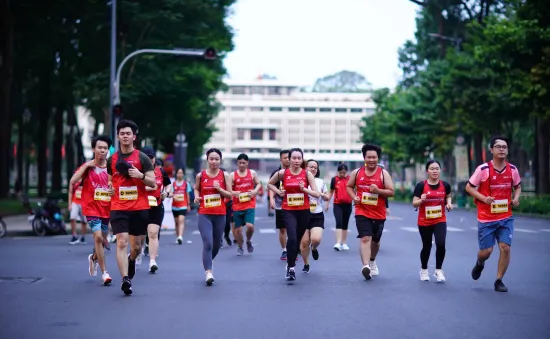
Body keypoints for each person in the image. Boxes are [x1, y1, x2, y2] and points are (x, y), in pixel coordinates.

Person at [465, 136, 521, 292]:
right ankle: (480, 263)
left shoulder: (513, 170)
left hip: (505, 217)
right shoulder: (483, 170)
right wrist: (484, 198)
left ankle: (499, 280)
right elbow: (469, 187)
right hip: (486, 218)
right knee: (486, 252)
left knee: (505, 248)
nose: (502, 149)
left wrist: (516, 198)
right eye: (498, 146)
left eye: (504, 147)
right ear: (491, 150)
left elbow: (517, 187)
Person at [107, 119, 156, 295]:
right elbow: (110, 180)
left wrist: (140, 175)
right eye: (122, 134)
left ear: (134, 136)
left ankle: (132, 259)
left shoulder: (142, 157)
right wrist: (110, 188)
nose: (125, 136)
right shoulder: (112, 159)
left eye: (128, 133)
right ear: (118, 136)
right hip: (118, 207)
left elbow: (154, 183)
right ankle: (125, 279)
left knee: (136, 247)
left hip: (139, 207)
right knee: (121, 241)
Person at [268, 148, 320, 281]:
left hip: (304, 211)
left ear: (302, 159)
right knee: (292, 238)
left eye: (299, 158)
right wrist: (278, 192)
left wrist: (304, 189)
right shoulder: (282, 173)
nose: (296, 160)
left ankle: (290, 262)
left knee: (296, 240)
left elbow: (316, 193)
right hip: (288, 210)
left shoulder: (307, 174)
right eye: (294, 158)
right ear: (289, 159)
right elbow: (269, 184)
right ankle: (291, 268)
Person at [346, 143, 395, 280]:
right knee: (365, 238)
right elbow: (349, 186)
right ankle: (366, 266)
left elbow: (391, 192)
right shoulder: (357, 173)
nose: (371, 160)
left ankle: (372, 260)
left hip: (378, 212)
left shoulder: (383, 174)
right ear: (364, 158)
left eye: (374, 157)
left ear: (378, 158)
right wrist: (354, 197)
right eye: (369, 157)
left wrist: (378, 191)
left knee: (375, 240)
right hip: (361, 210)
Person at [70, 135, 113, 285]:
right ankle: (105, 273)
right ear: (94, 149)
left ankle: (93, 258)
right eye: (99, 147)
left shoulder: (111, 167)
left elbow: (116, 186)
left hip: (107, 209)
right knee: (98, 238)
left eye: (105, 148)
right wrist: (86, 167)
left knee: (102, 240)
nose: (102, 150)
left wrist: (113, 191)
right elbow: (73, 181)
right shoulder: (87, 167)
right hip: (91, 208)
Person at [193, 148, 233, 286]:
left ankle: (209, 260)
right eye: (211, 159)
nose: (214, 162)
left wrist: (220, 189)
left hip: (220, 214)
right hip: (204, 213)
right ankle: (208, 272)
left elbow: (230, 194)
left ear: (220, 160)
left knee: (216, 245)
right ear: (207, 159)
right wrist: (197, 196)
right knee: (208, 243)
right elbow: (196, 188)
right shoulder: (201, 175)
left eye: (217, 159)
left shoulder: (224, 175)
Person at [412, 160, 452, 283]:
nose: (435, 171)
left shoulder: (445, 185)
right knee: (427, 246)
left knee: (441, 244)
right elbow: (414, 203)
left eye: (437, 168)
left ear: (440, 170)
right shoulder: (421, 185)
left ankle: (438, 270)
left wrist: (449, 204)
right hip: (424, 221)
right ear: (427, 171)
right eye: (432, 169)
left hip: (440, 219)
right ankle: (424, 269)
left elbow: (448, 196)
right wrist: (421, 200)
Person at [140, 147, 171, 273]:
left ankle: (152, 261)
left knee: (153, 233)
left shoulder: (160, 171)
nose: (149, 160)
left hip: (156, 205)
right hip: (140, 206)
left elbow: (168, 184)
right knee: (140, 235)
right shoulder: (137, 171)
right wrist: (148, 188)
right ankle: (137, 252)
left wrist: (166, 193)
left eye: (151, 157)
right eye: (146, 157)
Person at [300, 159, 330, 273]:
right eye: (310, 166)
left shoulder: (320, 182)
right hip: (302, 214)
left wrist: (322, 194)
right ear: (305, 168)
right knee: (304, 242)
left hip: (316, 213)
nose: (313, 169)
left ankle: (314, 248)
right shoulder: (300, 180)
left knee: (315, 239)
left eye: (315, 167)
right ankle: (306, 263)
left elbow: (327, 197)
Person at [228, 153, 262, 256]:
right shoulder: (232, 175)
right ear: (237, 163)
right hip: (237, 206)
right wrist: (234, 193)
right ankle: (240, 247)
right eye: (240, 163)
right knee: (237, 230)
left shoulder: (252, 173)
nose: (242, 165)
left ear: (247, 163)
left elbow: (259, 183)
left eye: (244, 163)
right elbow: (228, 189)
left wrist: (255, 191)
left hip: (249, 204)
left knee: (250, 226)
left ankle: (248, 241)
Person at [269, 150, 291, 260]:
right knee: (282, 229)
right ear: (280, 159)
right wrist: (272, 200)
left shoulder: (296, 172)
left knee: (295, 228)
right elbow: (270, 186)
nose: (287, 159)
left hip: (294, 204)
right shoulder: (276, 173)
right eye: (285, 157)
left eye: (289, 157)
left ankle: (294, 248)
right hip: (280, 204)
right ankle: (284, 250)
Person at [326, 163, 352, 251]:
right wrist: (327, 203)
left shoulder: (350, 179)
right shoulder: (334, 180)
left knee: (345, 223)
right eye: (341, 172)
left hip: (348, 204)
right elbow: (331, 192)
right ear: (338, 171)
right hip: (337, 204)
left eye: (344, 173)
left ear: (346, 172)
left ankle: (344, 243)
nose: (342, 174)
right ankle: (338, 242)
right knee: (339, 222)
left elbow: (354, 190)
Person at [171, 168, 191, 245]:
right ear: (176, 174)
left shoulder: (186, 184)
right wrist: (173, 196)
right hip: (174, 206)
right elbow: (170, 193)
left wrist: (188, 204)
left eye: (181, 173)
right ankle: (178, 237)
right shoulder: (173, 184)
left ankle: (180, 236)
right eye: (178, 173)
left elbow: (187, 195)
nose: (180, 174)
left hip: (183, 205)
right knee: (176, 222)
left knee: (181, 220)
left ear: (183, 174)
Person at [68, 178, 88, 245]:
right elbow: (70, 192)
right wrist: (69, 204)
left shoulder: (87, 180)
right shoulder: (74, 180)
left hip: (84, 203)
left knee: (84, 220)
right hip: (75, 202)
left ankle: (83, 237)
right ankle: (74, 236)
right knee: (72, 217)